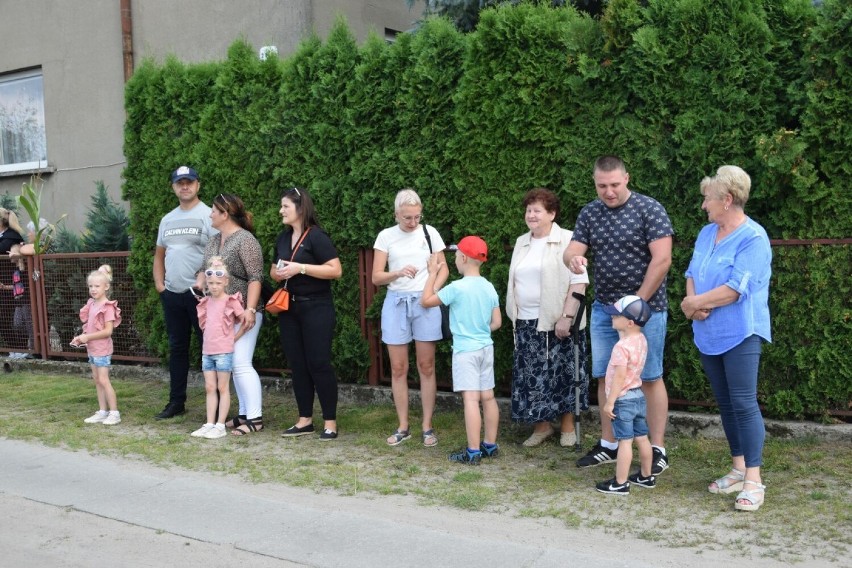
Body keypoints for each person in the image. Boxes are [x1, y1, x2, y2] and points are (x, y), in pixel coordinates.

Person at [564, 155, 673, 475]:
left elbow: (662, 259)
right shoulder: (590, 212)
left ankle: (657, 448)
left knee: (650, 377)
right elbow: (572, 250)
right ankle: (610, 444)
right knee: (606, 375)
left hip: (646, 311)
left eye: (614, 185)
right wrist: (573, 260)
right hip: (604, 311)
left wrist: (637, 304)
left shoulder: (649, 208)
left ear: (627, 178)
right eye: (602, 186)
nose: (608, 192)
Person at [680, 165, 771, 512]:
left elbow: (737, 289)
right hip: (708, 332)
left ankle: (754, 480)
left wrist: (696, 303)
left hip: (741, 332)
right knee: (726, 404)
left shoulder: (754, 238)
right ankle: (737, 468)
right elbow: (691, 272)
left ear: (727, 200)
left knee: (744, 404)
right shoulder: (707, 233)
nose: (704, 205)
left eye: (708, 199)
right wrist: (693, 305)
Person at [506, 188, 588, 447]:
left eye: (537, 211)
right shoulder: (522, 242)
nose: (531, 215)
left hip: (558, 321)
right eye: (528, 210)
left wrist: (567, 316)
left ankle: (566, 428)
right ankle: (541, 427)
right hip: (527, 322)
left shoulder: (568, 239)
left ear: (552, 214)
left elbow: (579, 280)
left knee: (563, 374)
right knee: (532, 376)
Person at [372, 189, 449, 447]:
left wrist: (433, 290)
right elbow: (376, 277)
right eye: (407, 218)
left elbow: (444, 269)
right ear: (396, 215)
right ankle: (403, 426)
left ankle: (427, 426)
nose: (413, 222)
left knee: (426, 366)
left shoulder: (430, 233)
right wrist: (397, 273)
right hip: (395, 303)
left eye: (417, 216)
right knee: (398, 368)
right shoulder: (386, 236)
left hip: (425, 302)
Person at [421, 236, 501, 465]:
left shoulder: (456, 288)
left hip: (465, 350)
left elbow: (426, 300)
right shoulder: (488, 286)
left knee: (470, 399)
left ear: (464, 257)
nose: (455, 259)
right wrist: (480, 329)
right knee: (488, 396)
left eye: (456, 256)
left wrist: (432, 274)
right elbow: (496, 322)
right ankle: (490, 445)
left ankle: (473, 451)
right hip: (486, 347)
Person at [273, 187, 343, 441]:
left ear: (300, 209)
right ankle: (304, 420)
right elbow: (274, 269)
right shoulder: (282, 238)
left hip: (317, 307)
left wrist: (300, 268)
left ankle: (330, 422)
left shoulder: (317, 237)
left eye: (285, 207)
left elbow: (335, 270)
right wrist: (279, 273)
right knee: (298, 365)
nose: (280, 211)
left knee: (319, 364)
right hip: (289, 308)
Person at [153, 166, 217, 419]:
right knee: (177, 349)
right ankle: (176, 402)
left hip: (200, 296)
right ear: (173, 187)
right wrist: (160, 285)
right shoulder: (167, 219)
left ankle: (216, 403)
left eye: (189, 182)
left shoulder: (208, 215)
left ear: (198, 185)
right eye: (180, 183)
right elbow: (159, 255)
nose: (185, 186)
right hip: (172, 294)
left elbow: (217, 255)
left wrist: (208, 285)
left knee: (208, 348)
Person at [199, 193, 265, 436]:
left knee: (240, 363)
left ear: (225, 214)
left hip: (243, 313)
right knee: (233, 364)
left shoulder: (246, 240)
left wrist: (250, 310)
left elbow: (256, 277)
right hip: (220, 315)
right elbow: (205, 269)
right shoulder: (214, 241)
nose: (210, 214)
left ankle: (255, 418)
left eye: (214, 211)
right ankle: (245, 414)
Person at [595, 295, 656, 495]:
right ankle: (646, 476)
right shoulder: (640, 340)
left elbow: (619, 376)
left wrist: (610, 402)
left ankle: (620, 482)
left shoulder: (621, 348)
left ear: (629, 322)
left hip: (623, 399)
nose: (612, 317)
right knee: (642, 438)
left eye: (616, 315)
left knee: (625, 441)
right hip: (638, 396)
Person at [191, 258, 245, 440]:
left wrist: (233, 338)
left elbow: (246, 321)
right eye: (211, 283)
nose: (214, 286)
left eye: (218, 283)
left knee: (222, 388)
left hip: (223, 352)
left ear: (226, 282)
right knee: (209, 387)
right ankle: (209, 423)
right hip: (207, 352)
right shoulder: (205, 302)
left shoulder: (231, 301)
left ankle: (220, 425)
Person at [72, 265, 122, 426]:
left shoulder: (107, 307)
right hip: (92, 349)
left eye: (97, 286)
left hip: (102, 349)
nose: (93, 289)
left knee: (103, 379)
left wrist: (87, 337)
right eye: (91, 286)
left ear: (106, 287)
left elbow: (107, 331)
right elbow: (90, 326)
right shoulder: (91, 304)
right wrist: (81, 338)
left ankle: (114, 413)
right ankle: (102, 411)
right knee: (97, 380)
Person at [0, 208, 26, 355]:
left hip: (11, 286)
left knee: (10, 319)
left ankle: (19, 349)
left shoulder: (11, 237)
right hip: (4, 285)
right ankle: (13, 349)